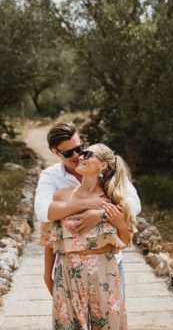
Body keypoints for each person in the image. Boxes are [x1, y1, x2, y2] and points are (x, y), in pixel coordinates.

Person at [34, 122, 142, 296]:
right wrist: (85, 203)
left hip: (109, 263)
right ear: (56, 152)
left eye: (80, 148)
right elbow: (43, 213)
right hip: (70, 269)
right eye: (69, 153)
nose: (77, 155)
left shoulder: (105, 169)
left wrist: (100, 215)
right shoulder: (51, 177)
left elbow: (134, 205)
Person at [39, 143, 136, 329]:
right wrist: (47, 275)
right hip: (67, 274)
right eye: (82, 153)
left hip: (105, 273)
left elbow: (124, 241)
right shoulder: (60, 196)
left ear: (103, 165)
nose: (80, 156)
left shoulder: (113, 198)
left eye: (88, 154)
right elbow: (49, 240)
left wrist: (119, 223)